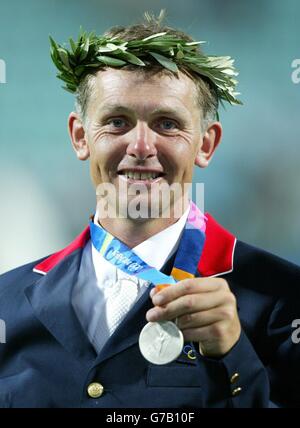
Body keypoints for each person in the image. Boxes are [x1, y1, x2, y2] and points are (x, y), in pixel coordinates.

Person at [0, 12, 300, 408]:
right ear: (79, 137)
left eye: (167, 124)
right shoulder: (7, 303)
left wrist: (233, 355)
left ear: (206, 145)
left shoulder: (285, 301)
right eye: (117, 121)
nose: (141, 146)